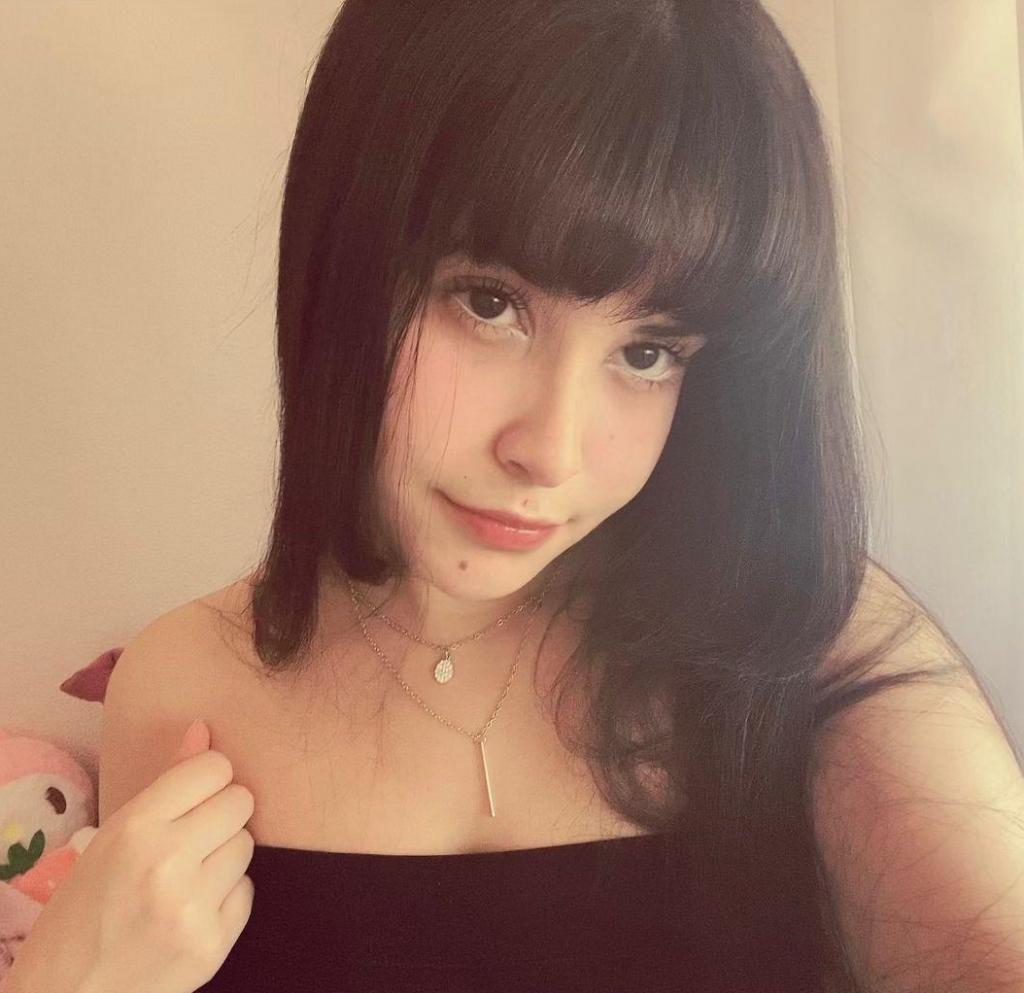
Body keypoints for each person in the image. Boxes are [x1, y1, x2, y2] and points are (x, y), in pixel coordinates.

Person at [7, 2, 1023, 992]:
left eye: (649, 352)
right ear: (343, 261)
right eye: (489, 303)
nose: (550, 451)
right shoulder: (183, 688)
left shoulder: (802, 632)